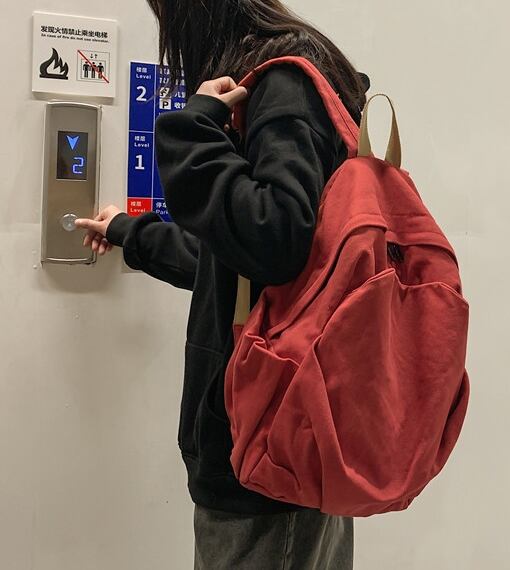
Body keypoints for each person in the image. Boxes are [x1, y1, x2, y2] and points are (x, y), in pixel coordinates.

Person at [75, 1, 370, 568]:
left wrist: (193, 128)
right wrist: (128, 232)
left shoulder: (284, 82)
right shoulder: (291, 79)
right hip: (287, 433)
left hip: (263, 454)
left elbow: (272, 239)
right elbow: (234, 265)